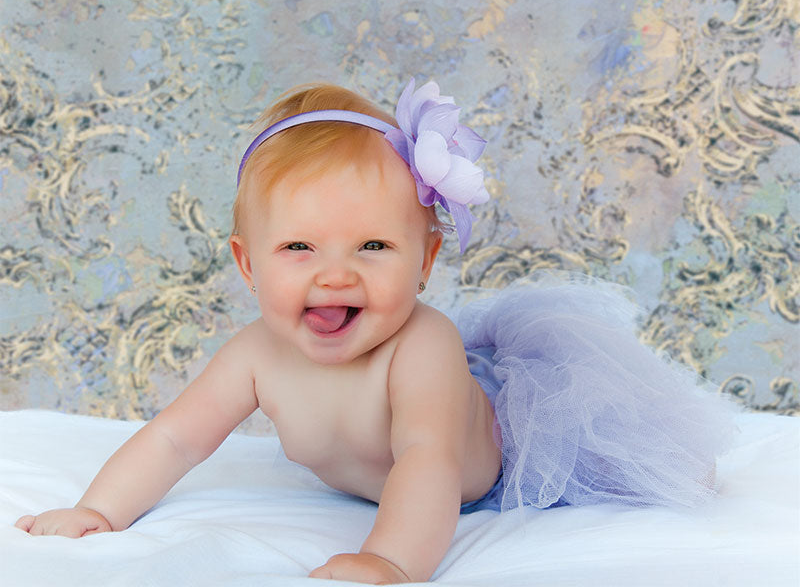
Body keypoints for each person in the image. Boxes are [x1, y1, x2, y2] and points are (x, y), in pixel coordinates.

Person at [15, 79, 736, 584]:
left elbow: (428, 460)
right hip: (399, 470)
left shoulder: (423, 345)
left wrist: (390, 560)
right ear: (247, 264)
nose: (336, 276)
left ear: (424, 260)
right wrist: (97, 509)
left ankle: (652, 457)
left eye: (373, 246)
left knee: (609, 455)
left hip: (508, 446)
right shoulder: (254, 355)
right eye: (299, 248)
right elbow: (175, 438)